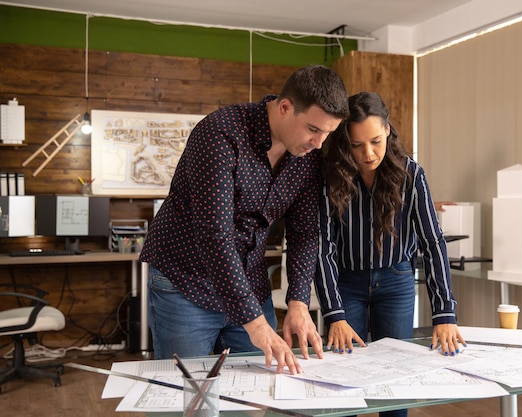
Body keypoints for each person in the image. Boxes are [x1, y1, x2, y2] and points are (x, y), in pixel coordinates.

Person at [139, 65, 349, 375]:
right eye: (313, 129)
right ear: (285, 107)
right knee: (186, 395)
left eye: (327, 133)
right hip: (186, 281)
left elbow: (304, 232)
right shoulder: (219, 134)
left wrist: (298, 302)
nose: (318, 143)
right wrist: (256, 323)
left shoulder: (307, 155)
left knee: (259, 393)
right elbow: (216, 235)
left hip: (248, 284)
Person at [315, 92, 465, 416]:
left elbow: (432, 242)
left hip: (396, 284)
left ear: (388, 130)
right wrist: (334, 314)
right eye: (357, 145)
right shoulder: (331, 177)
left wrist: (444, 314)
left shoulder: (411, 175)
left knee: (395, 386)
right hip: (348, 284)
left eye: (376, 141)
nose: (368, 154)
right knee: (342, 385)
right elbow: (322, 248)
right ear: (345, 143)